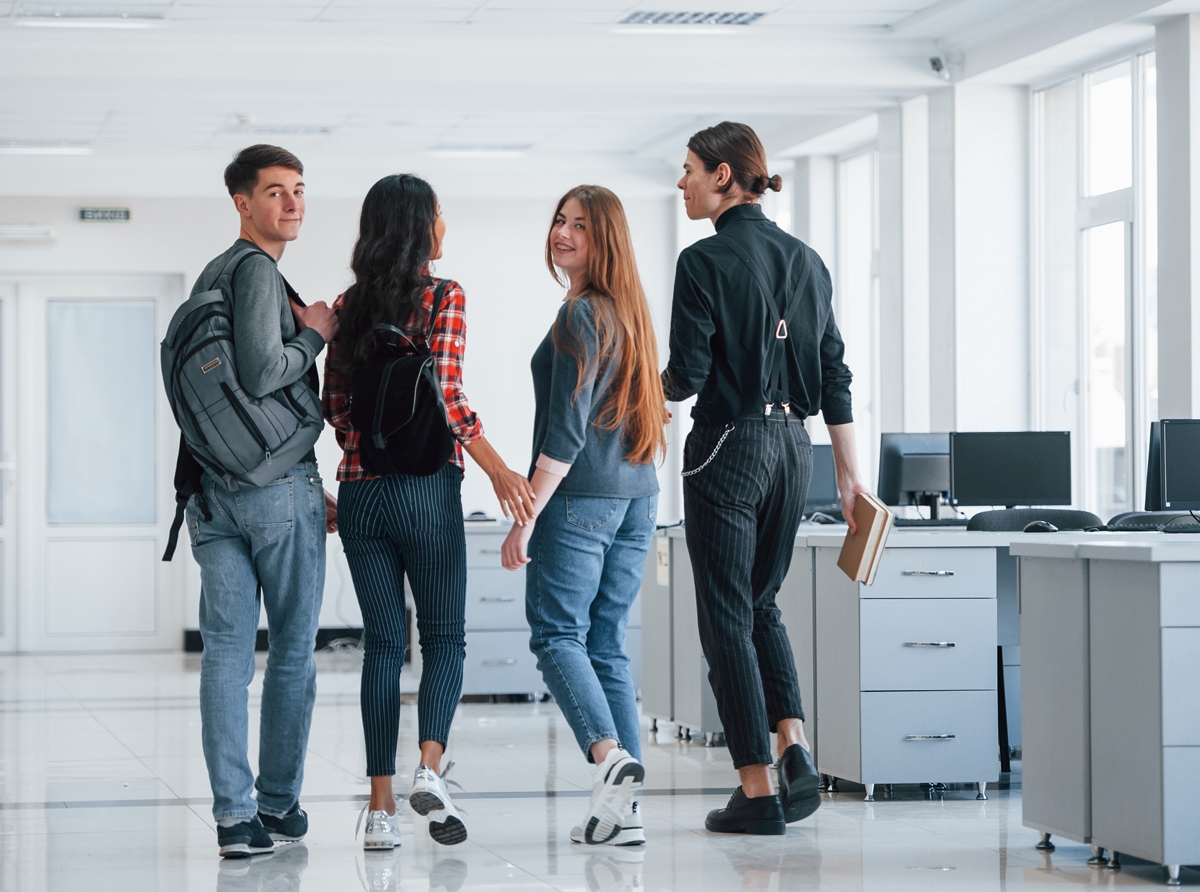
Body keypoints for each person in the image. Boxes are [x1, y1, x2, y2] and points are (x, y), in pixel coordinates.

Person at [662, 122, 867, 835]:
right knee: (762, 606)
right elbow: (834, 373)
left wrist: (628, 389)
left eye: (689, 169)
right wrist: (848, 474)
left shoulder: (703, 261)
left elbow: (685, 379)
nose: (681, 182)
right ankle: (794, 747)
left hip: (729, 441)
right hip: (794, 449)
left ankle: (755, 789)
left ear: (723, 176)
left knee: (725, 615)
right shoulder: (808, 260)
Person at [323, 173, 535, 850]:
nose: (447, 225)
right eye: (439, 215)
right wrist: (499, 466)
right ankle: (430, 768)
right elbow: (447, 390)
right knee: (442, 638)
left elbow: (332, 409)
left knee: (383, 645)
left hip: (361, 492)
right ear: (421, 228)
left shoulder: (351, 306)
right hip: (427, 490)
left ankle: (381, 809)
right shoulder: (444, 295)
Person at [501, 185, 667, 847]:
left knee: (557, 636)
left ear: (606, 241)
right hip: (637, 496)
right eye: (559, 221)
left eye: (580, 226)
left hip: (582, 499)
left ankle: (607, 756)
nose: (563, 234)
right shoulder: (628, 313)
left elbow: (564, 435)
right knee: (606, 646)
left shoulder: (580, 317)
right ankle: (623, 814)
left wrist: (526, 514)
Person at [186, 144, 340, 858]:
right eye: (275, 192)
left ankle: (232, 817)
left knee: (225, 654)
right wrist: (313, 331)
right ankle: (275, 806)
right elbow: (262, 370)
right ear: (242, 204)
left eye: (299, 190)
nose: (292, 203)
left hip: (211, 494)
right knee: (290, 654)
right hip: (276, 491)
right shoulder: (255, 271)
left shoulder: (211, 275)